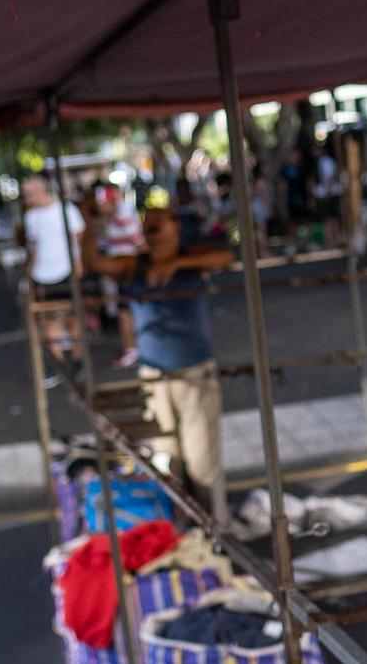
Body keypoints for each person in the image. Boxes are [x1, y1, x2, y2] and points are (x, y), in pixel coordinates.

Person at [80, 205, 236, 521]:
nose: (151, 233)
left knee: (203, 462)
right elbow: (94, 262)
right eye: (147, 227)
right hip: (154, 375)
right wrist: (88, 224)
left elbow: (226, 257)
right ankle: (177, 525)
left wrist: (178, 263)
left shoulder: (193, 259)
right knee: (167, 460)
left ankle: (215, 528)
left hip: (194, 375)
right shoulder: (134, 266)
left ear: (176, 227)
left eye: (158, 226)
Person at [20, 173, 86, 386]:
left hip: (66, 272)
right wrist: (30, 274)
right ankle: (61, 368)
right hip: (44, 276)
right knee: (50, 325)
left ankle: (77, 363)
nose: (26, 197)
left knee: (74, 319)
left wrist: (77, 262)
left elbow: (78, 239)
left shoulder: (67, 210)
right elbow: (35, 247)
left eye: (29, 193)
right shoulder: (32, 217)